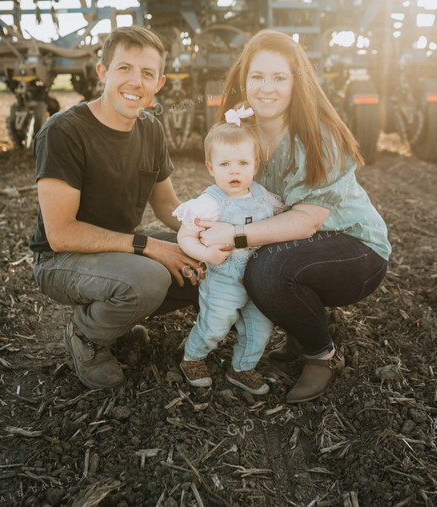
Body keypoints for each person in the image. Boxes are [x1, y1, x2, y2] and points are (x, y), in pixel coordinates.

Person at [198, 30, 391, 403]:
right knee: (229, 262)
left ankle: (323, 355)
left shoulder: (318, 134)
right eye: (257, 77)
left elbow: (307, 223)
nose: (266, 87)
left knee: (266, 269)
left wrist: (234, 236)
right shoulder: (241, 134)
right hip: (300, 246)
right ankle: (298, 324)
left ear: (296, 83)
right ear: (243, 81)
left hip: (354, 249)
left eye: (279, 77)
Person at [29, 26, 203, 390]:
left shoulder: (150, 129)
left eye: (147, 73)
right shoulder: (64, 132)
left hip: (118, 249)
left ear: (160, 83)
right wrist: (150, 247)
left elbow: (168, 204)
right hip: (60, 260)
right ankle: (86, 336)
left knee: (202, 264)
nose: (135, 82)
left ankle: (116, 321)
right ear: (102, 72)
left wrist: (208, 232)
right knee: (150, 277)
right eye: (124, 68)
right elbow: (61, 234)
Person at [172, 108, 285, 395]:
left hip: (259, 275)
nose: (234, 170)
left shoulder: (265, 198)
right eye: (225, 164)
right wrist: (205, 254)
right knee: (215, 323)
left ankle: (242, 368)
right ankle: (192, 358)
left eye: (242, 162)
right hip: (224, 275)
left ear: (255, 165)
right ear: (211, 167)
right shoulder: (210, 203)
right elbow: (185, 236)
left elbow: (284, 222)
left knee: (260, 327)